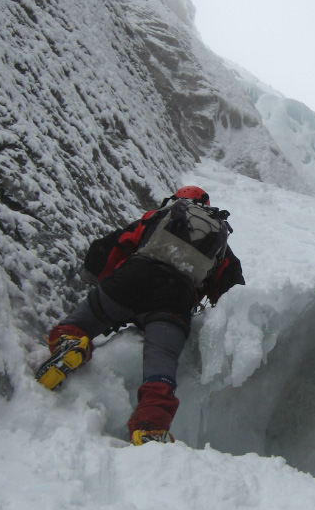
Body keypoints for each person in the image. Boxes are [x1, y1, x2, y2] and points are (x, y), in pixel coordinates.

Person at [37, 185, 244, 445]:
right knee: (162, 365)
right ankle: (150, 425)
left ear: (175, 202)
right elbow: (233, 293)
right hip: (174, 300)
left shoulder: (154, 218)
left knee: (79, 324)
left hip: (130, 280)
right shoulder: (219, 242)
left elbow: (105, 251)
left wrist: (107, 287)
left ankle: (70, 343)